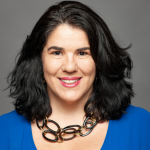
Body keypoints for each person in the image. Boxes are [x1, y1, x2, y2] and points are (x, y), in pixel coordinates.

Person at [0, 1, 150, 150]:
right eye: (57, 53)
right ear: (39, 59)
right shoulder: (4, 130)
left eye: (82, 53)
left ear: (100, 60)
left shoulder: (142, 125)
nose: (70, 67)